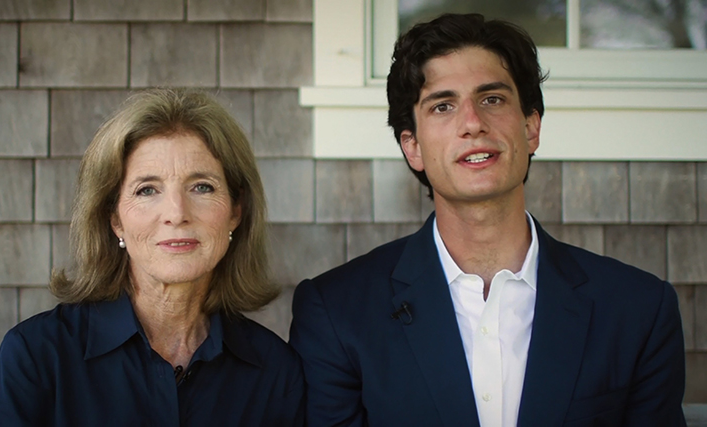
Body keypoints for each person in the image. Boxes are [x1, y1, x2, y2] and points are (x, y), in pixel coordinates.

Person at [289, 13, 686, 427]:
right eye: (443, 105)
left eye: (492, 99)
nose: (473, 123)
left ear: (531, 127)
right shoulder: (337, 312)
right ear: (413, 147)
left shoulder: (637, 309)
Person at [0, 88, 305, 426]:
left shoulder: (275, 371)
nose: (176, 213)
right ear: (114, 219)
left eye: (201, 186)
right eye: (147, 190)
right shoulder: (37, 355)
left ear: (236, 211)